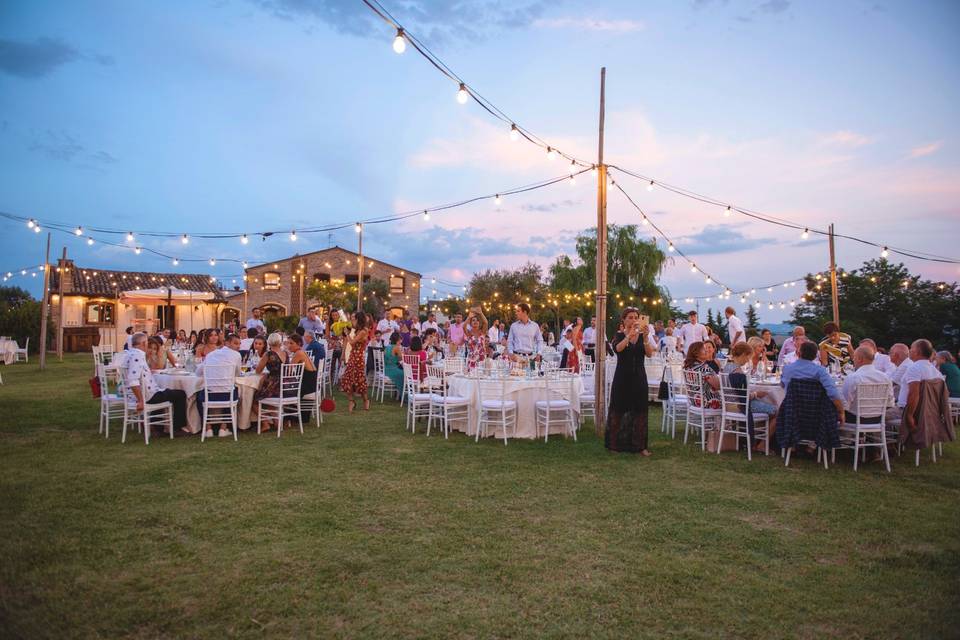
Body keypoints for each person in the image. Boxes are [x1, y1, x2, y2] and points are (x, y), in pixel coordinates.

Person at [606, 307, 654, 455]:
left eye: (635, 317)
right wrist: (629, 336)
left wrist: (645, 338)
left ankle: (640, 446)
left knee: (640, 410)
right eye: (630, 317)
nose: (633, 320)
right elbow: (618, 349)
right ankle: (615, 445)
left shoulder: (642, 336)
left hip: (639, 377)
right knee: (619, 409)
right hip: (622, 378)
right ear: (624, 320)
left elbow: (650, 354)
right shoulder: (619, 335)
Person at [125, 332, 189, 435]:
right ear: (143, 343)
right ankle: (177, 428)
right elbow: (133, 380)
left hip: (144, 393)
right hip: (146, 395)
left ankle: (157, 428)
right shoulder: (137, 356)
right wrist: (141, 400)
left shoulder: (129, 353)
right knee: (180, 394)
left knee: (163, 392)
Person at [723, 342, 778, 450]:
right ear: (743, 355)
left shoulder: (726, 367)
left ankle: (756, 437)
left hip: (728, 405)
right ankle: (762, 444)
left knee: (766, 407)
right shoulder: (738, 373)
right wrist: (757, 394)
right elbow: (744, 398)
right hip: (740, 406)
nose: (748, 360)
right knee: (777, 412)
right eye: (748, 357)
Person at [781, 341, 844, 422]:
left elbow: (783, 385)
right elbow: (833, 394)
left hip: (792, 413)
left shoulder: (787, 369)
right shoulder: (820, 371)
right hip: (816, 416)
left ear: (799, 353)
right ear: (815, 356)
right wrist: (841, 411)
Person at [195, 332, 243, 437]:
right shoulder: (237, 355)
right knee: (233, 390)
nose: (238, 346)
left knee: (199, 395)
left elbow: (198, 372)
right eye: (236, 343)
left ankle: (208, 429)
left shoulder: (211, 355)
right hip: (227, 395)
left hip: (210, 396)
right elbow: (238, 373)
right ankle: (223, 428)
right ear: (227, 343)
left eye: (239, 344)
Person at [841, 345, 895, 424]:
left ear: (860, 359)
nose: (853, 359)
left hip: (855, 419)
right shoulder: (885, 378)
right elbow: (890, 402)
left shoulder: (853, 377)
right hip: (878, 419)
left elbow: (846, 402)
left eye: (854, 357)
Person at [899, 339, 944, 411]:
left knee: (880, 415)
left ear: (917, 352)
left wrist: (909, 416)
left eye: (911, 348)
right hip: (930, 411)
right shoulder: (937, 373)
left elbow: (913, 395)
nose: (909, 351)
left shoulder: (914, 369)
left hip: (907, 411)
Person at [340, 311, 370, 412]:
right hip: (353, 356)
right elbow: (353, 345)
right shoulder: (358, 330)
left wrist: (347, 334)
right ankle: (351, 401)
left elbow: (352, 342)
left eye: (355, 319)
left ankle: (366, 400)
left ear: (359, 320)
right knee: (347, 379)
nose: (353, 320)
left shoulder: (363, 331)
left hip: (358, 358)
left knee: (359, 380)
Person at [285, 333, 318, 419]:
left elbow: (288, 373)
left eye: (291, 343)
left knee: (282, 389)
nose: (289, 345)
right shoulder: (302, 352)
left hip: (307, 388)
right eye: (288, 343)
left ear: (299, 344)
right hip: (312, 386)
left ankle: (281, 415)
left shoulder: (298, 354)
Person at [253, 350, 284, 432]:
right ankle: (277, 423)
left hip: (274, 386)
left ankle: (265, 423)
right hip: (285, 387)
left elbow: (258, 371)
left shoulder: (269, 354)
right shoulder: (285, 353)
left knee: (255, 400)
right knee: (267, 399)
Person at [684, 341, 721, 409]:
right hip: (708, 402)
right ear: (696, 353)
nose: (706, 350)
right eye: (704, 349)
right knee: (732, 404)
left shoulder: (689, 367)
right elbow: (718, 386)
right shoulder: (704, 368)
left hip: (694, 402)